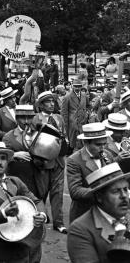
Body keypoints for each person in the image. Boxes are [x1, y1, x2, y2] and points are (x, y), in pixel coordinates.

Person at [0, 141, 47, 263]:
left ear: (7, 162)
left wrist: (41, 215)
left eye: (3, 158)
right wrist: (3, 214)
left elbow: (36, 201)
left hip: (18, 249)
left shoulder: (16, 182)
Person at [67, 163, 130, 263]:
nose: (124, 196)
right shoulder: (80, 229)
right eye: (116, 191)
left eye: (125, 189)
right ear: (99, 197)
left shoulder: (128, 216)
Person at [32, 91, 67, 234]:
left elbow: (63, 137)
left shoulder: (59, 118)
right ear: (40, 105)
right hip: (43, 162)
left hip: (59, 161)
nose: (52, 104)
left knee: (58, 193)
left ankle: (59, 223)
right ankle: (41, 216)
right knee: (41, 192)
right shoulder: (36, 119)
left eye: (53, 101)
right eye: (48, 102)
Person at [66, 122, 112, 223]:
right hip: (84, 216)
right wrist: (101, 193)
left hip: (106, 214)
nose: (103, 148)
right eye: (98, 145)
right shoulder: (74, 160)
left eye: (105, 143)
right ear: (86, 143)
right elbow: (75, 191)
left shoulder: (108, 155)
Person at [61, 78, 89, 152]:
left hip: (83, 122)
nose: (77, 88)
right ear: (72, 86)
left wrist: (86, 114)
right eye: (75, 86)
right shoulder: (67, 97)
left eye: (79, 86)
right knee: (74, 142)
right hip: (73, 123)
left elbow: (88, 106)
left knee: (83, 141)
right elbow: (64, 113)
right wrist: (66, 126)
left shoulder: (84, 95)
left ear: (81, 87)